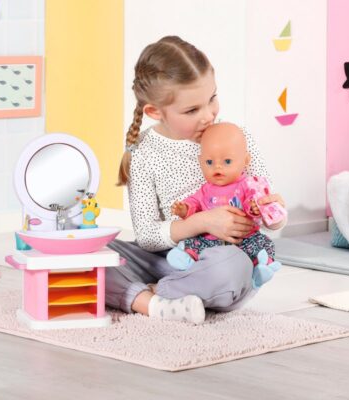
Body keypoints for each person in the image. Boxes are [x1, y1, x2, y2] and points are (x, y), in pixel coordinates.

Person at [108, 36, 286, 325]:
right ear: (154, 111)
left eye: (212, 98)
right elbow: (148, 238)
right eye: (192, 110)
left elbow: (265, 208)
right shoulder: (144, 154)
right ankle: (154, 305)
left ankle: (154, 295)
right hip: (165, 259)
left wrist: (275, 215)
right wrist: (202, 222)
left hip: (221, 260)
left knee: (231, 267)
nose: (208, 116)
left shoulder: (236, 137)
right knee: (93, 255)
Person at [166, 122, 284, 288]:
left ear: (245, 161)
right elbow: (194, 203)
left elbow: (254, 202)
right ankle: (186, 259)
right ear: (200, 161)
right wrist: (184, 209)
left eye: (227, 161)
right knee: (193, 242)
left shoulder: (247, 184)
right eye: (209, 162)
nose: (218, 167)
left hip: (244, 238)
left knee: (263, 243)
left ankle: (263, 267)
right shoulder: (206, 189)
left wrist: (254, 208)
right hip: (210, 239)